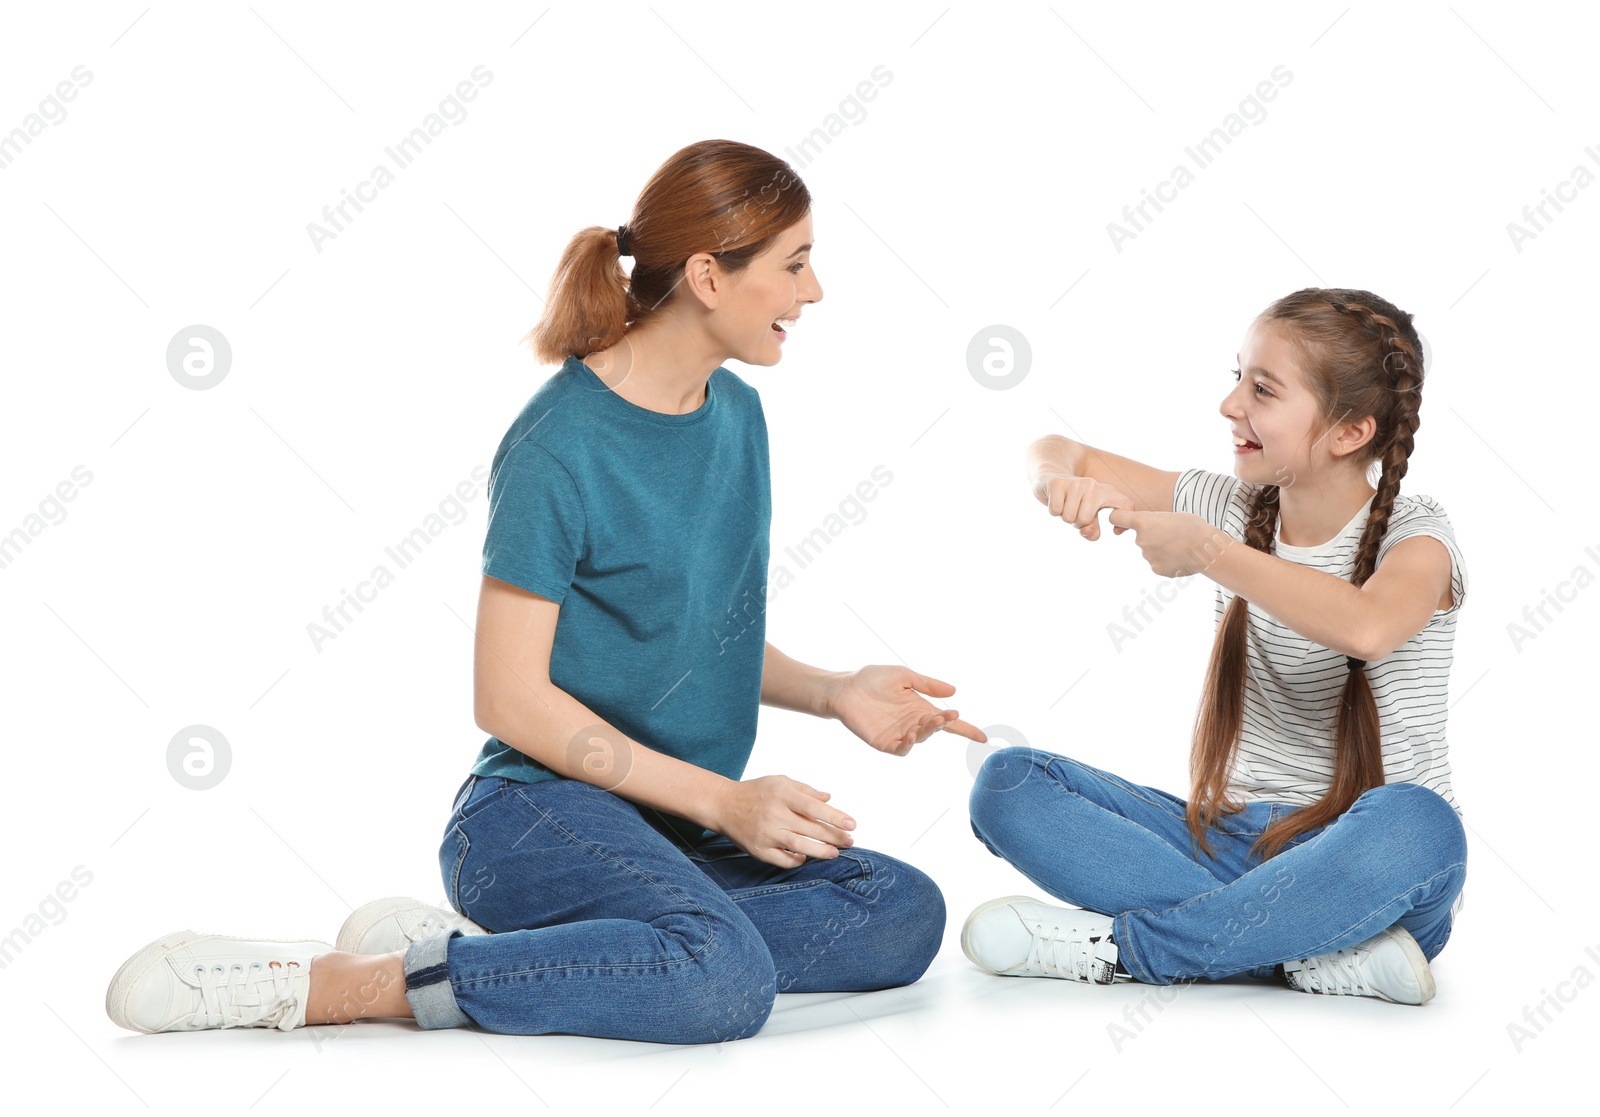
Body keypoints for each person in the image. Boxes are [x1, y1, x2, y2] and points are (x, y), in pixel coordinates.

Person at [106, 139, 986, 1041]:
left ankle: (538, 950)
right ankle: (348, 983)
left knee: (899, 912)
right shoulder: (559, 443)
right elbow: (509, 696)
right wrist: (724, 801)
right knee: (719, 979)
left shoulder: (738, 417)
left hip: (670, 826)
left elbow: (685, 637)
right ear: (708, 277)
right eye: (795, 263)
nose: (815, 291)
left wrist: (833, 690)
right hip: (531, 819)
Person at [962, 289, 1468, 1005]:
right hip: (1228, 841)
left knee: (1419, 824)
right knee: (1007, 782)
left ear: (1351, 432)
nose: (1230, 405)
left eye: (1261, 389)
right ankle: (1303, 950)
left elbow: (1367, 626)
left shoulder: (1419, 536)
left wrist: (1208, 550)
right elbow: (1058, 447)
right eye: (1236, 377)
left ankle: (1130, 950)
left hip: (1362, 857)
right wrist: (1057, 480)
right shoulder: (1226, 502)